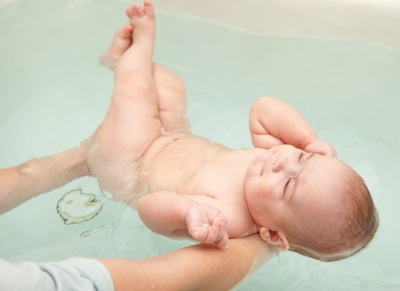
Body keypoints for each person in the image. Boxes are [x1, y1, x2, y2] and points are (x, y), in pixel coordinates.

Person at [0, 0, 377, 266]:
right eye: (302, 158)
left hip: (131, 161)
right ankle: (121, 63)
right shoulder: (266, 165)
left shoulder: (227, 216)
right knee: (170, 85)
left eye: (288, 185)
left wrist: (188, 212)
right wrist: (305, 140)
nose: (282, 161)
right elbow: (264, 109)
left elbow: (149, 209)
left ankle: (136, 52)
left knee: (137, 89)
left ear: (273, 235)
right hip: (171, 136)